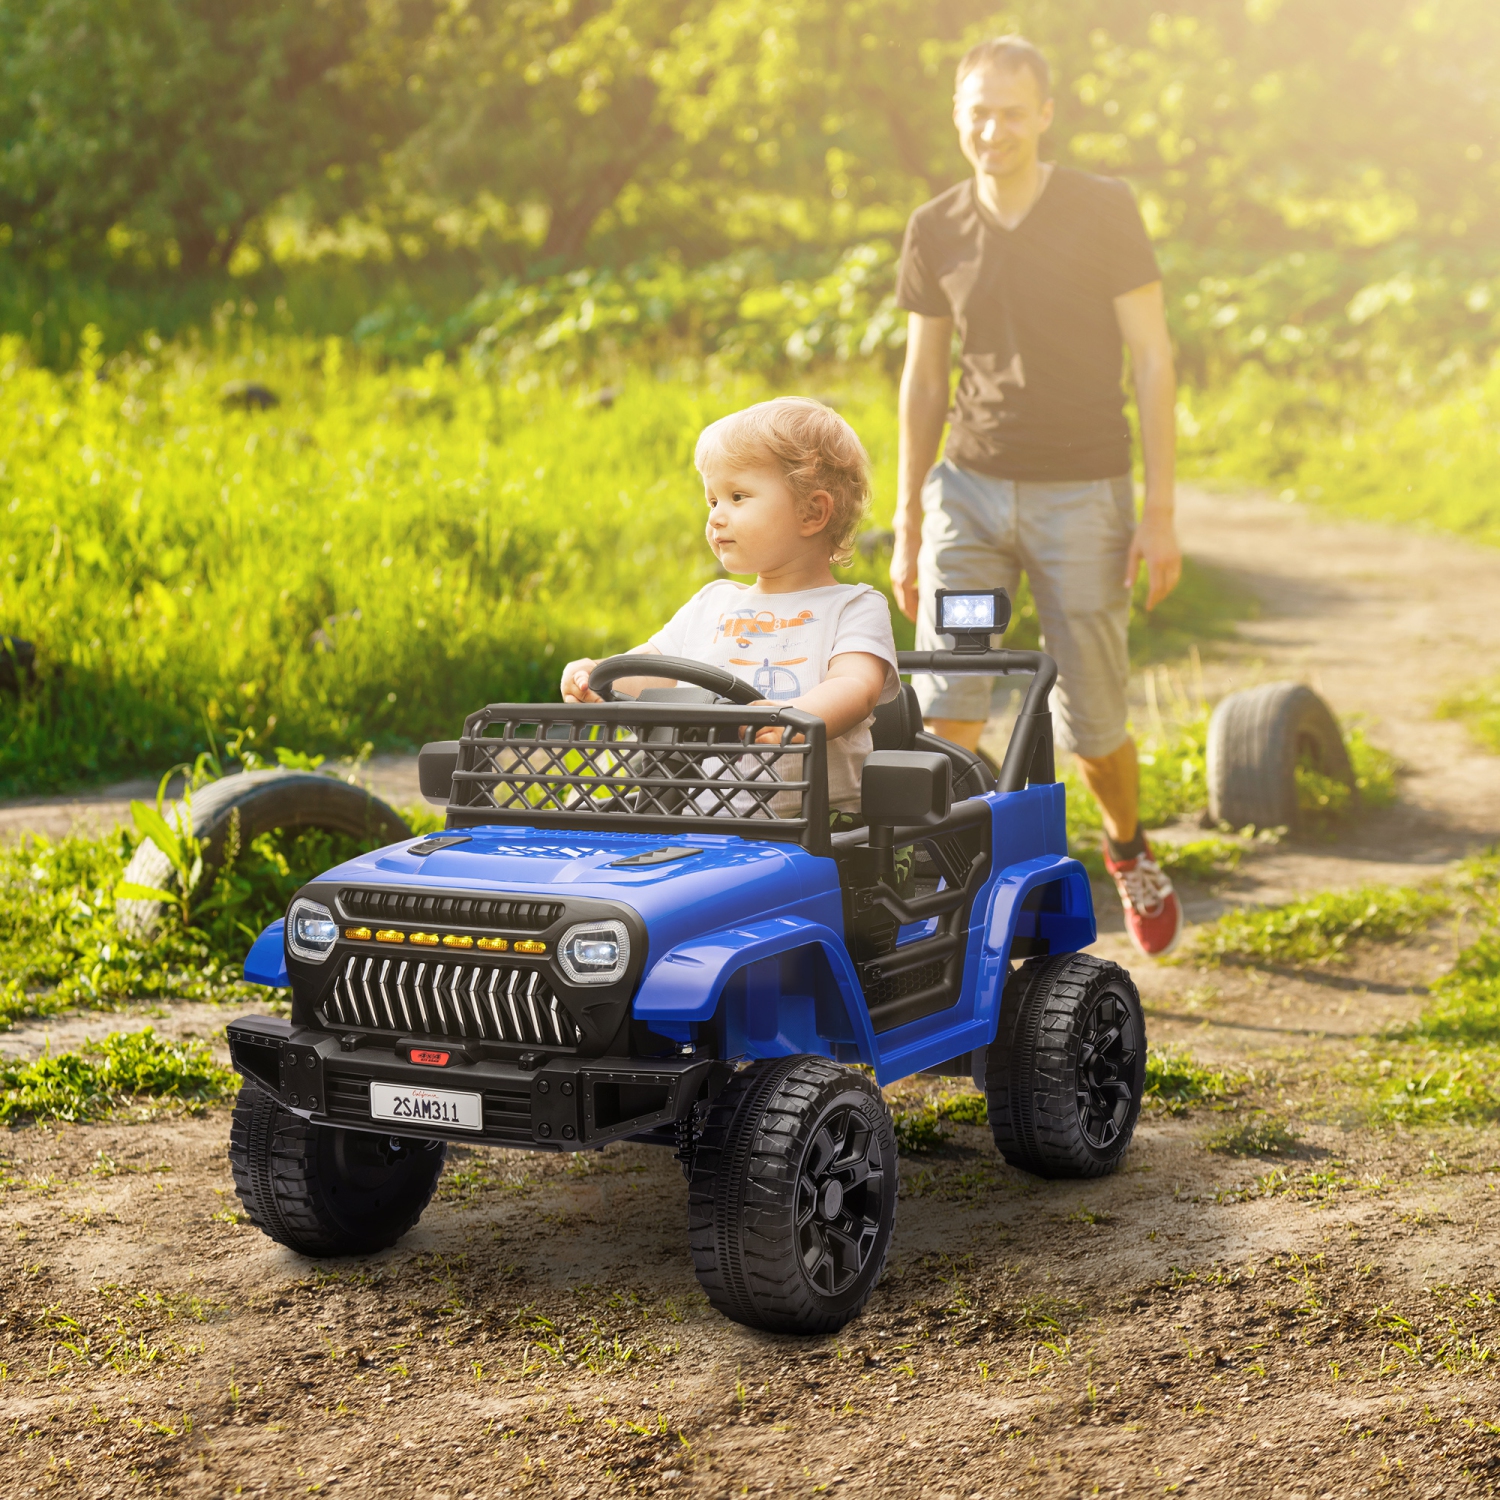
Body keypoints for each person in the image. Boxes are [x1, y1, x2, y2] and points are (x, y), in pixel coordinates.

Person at [889, 34, 1185, 957]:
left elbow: (1153, 355)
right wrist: (907, 518)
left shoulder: (1103, 209)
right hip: (969, 497)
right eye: (978, 111)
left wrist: (1161, 510)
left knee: (1092, 722)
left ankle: (1127, 848)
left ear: (1045, 113)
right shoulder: (936, 227)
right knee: (953, 702)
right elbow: (924, 378)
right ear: (957, 116)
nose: (994, 129)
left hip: (1082, 498)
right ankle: (960, 898)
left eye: (1013, 111)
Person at [561, 396, 899, 814]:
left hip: (818, 830)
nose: (717, 517)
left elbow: (855, 688)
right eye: (713, 501)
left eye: (737, 497)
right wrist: (597, 676)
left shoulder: (854, 607)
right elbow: (651, 670)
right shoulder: (712, 603)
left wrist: (792, 719)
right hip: (697, 821)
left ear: (812, 511)